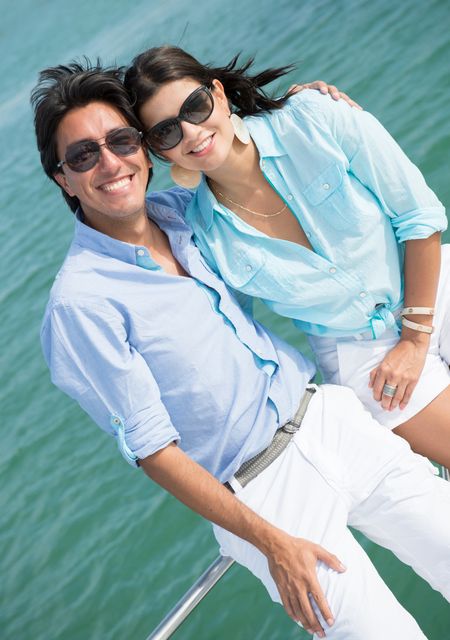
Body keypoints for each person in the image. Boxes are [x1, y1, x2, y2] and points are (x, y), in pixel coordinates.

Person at [31, 60, 450, 640]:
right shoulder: (81, 306)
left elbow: (218, 141)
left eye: (121, 140)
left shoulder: (184, 217)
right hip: (262, 494)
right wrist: (268, 541)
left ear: (145, 152)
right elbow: (154, 450)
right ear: (62, 179)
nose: (109, 162)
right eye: (82, 156)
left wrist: (308, 99)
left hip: (327, 418)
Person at [124, 46, 450, 468]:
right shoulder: (205, 236)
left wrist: (414, 338)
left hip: (433, 282)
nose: (191, 133)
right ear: (157, 151)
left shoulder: (313, 118)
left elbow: (419, 216)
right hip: (363, 357)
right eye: (166, 132)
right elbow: (229, 337)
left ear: (218, 94)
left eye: (196, 106)